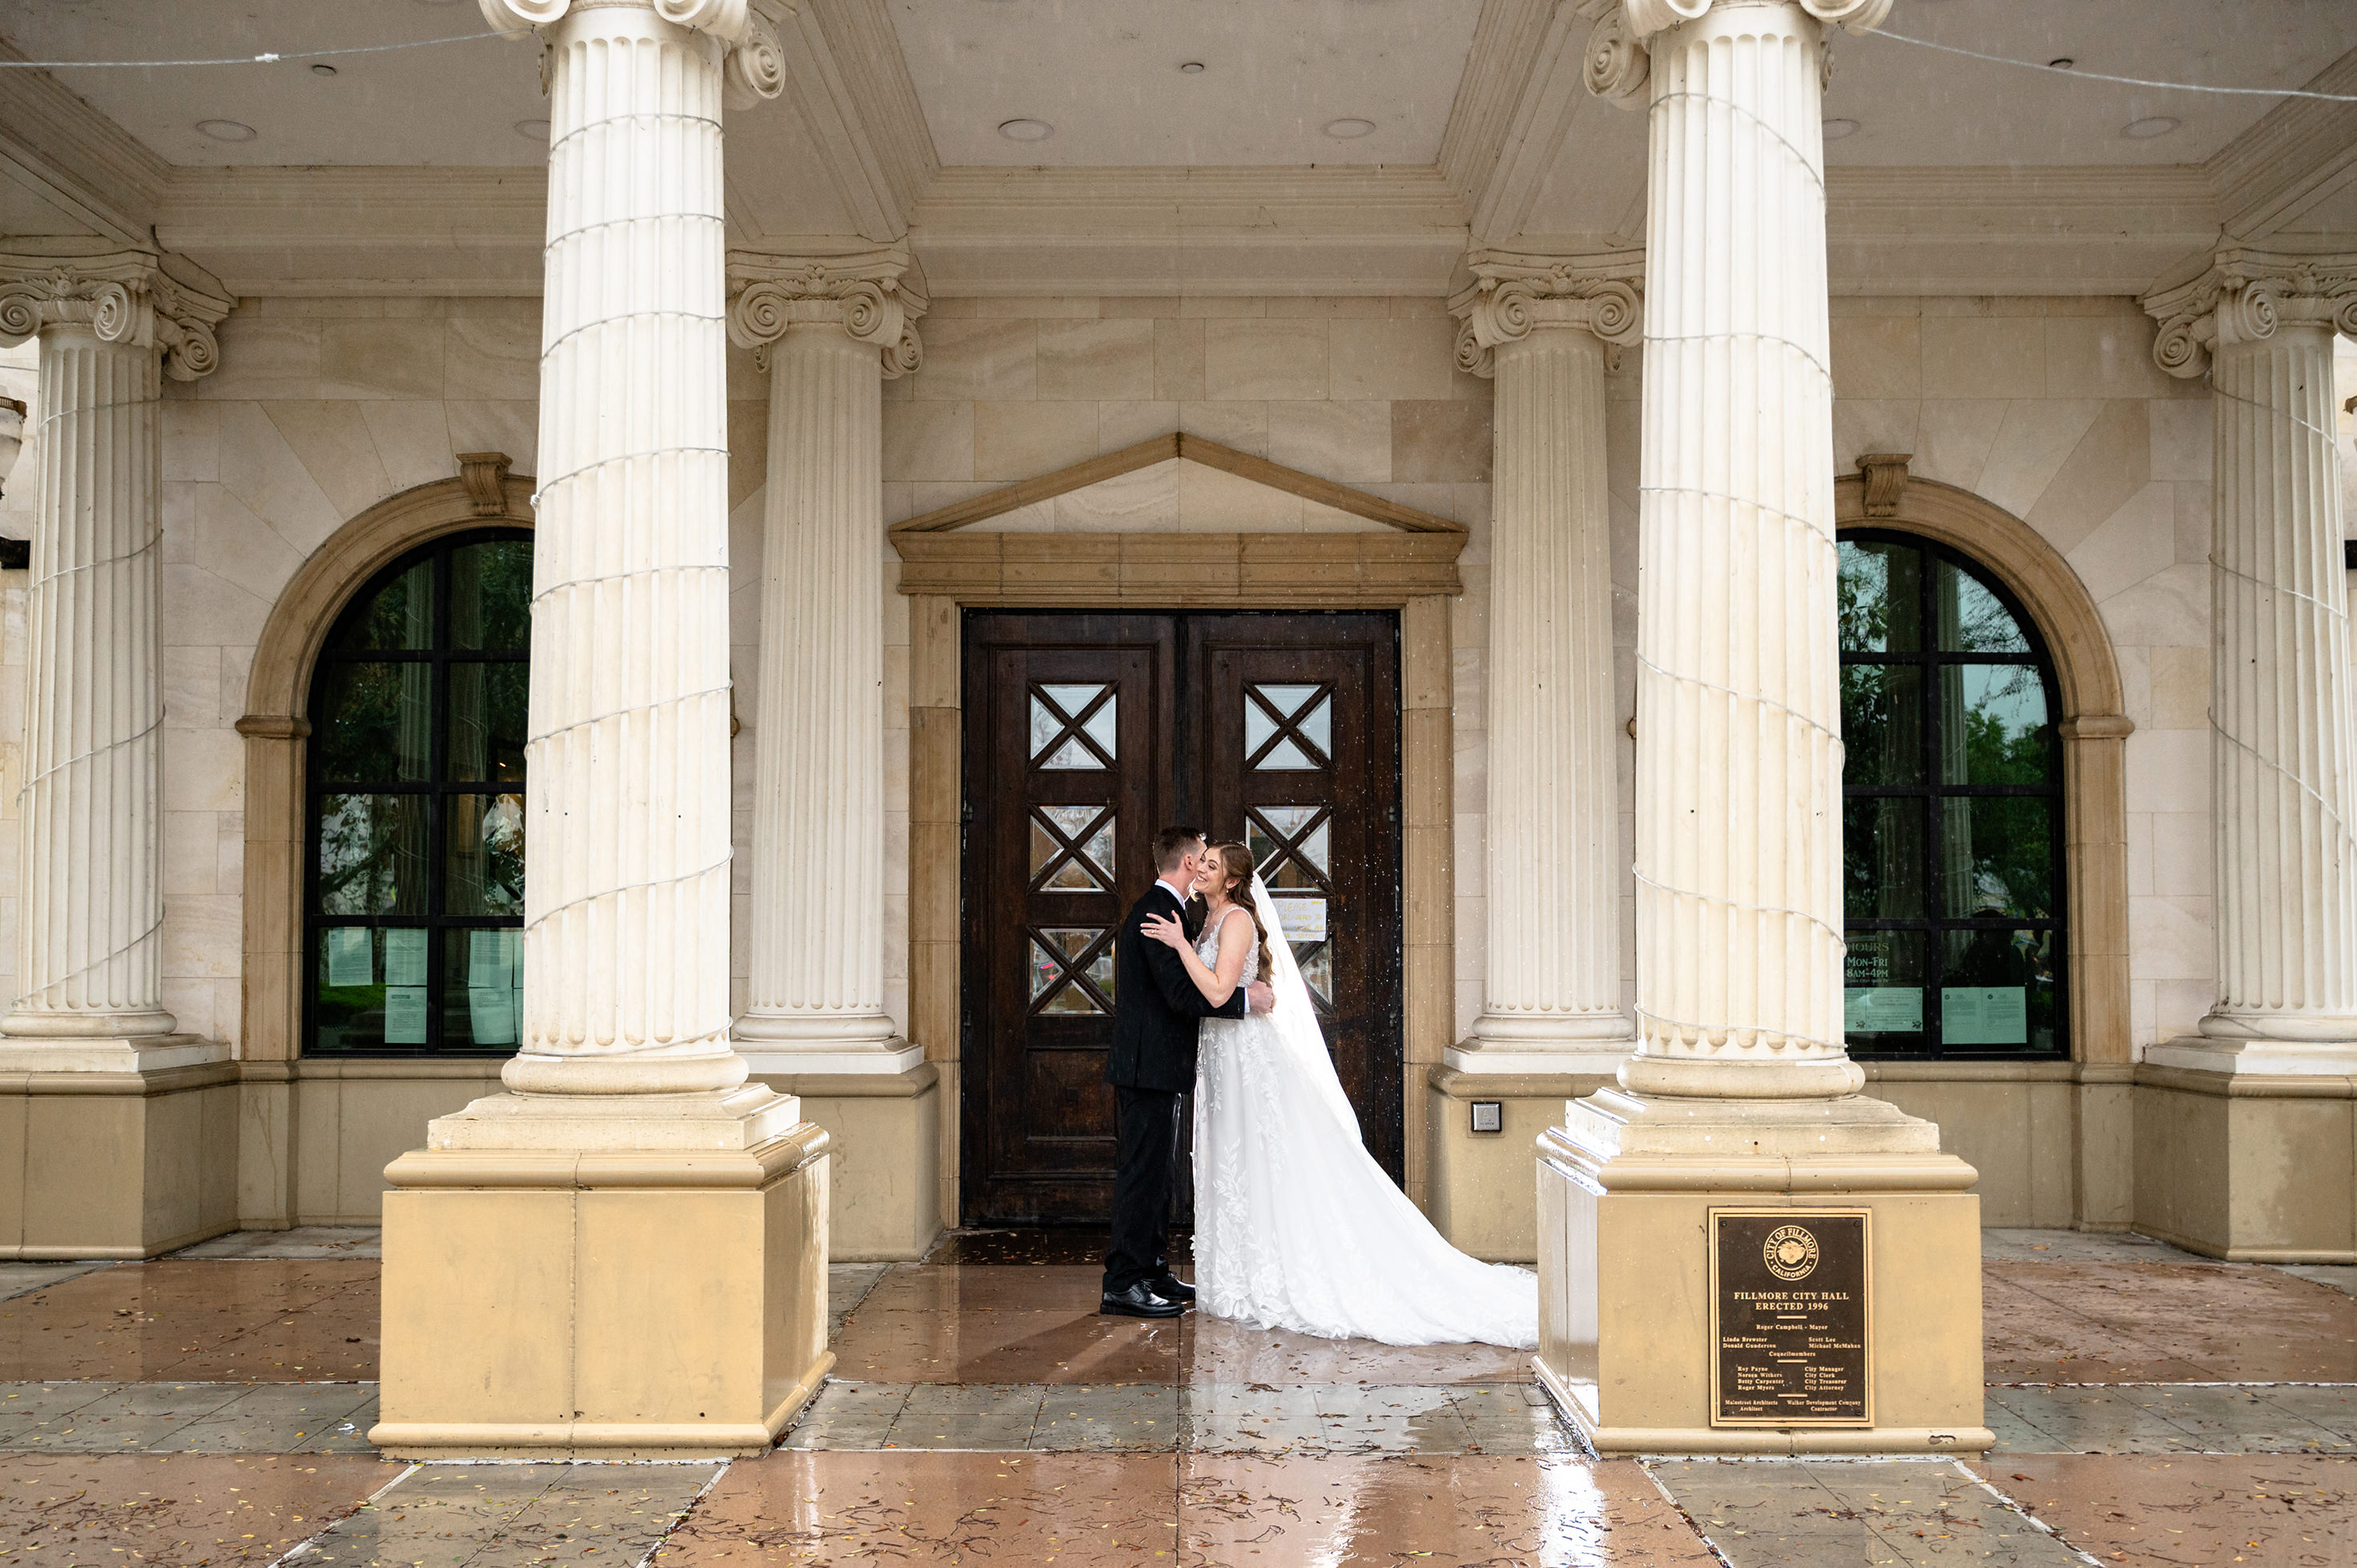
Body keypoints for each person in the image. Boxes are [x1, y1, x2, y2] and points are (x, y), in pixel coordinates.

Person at [1140, 840, 1538, 1348]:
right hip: (1222, 1055)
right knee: (1238, 1160)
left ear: (1233, 881)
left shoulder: (1236, 920)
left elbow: (1218, 991)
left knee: (1261, 1157)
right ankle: (1238, 1276)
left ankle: (1276, 1274)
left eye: (1211, 865)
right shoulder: (1208, 920)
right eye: (1201, 861)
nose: (1200, 869)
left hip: (1245, 1056)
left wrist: (1180, 946)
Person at [1101, 827, 1275, 1318]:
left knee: (1157, 1177)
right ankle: (1123, 1283)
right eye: (1202, 858)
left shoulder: (1178, 911)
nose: (1203, 866)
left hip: (1161, 1066)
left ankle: (1152, 1270)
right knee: (1141, 1176)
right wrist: (1245, 1000)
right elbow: (1180, 995)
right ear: (1188, 862)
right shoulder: (1157, 911)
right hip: (1147, 1067)